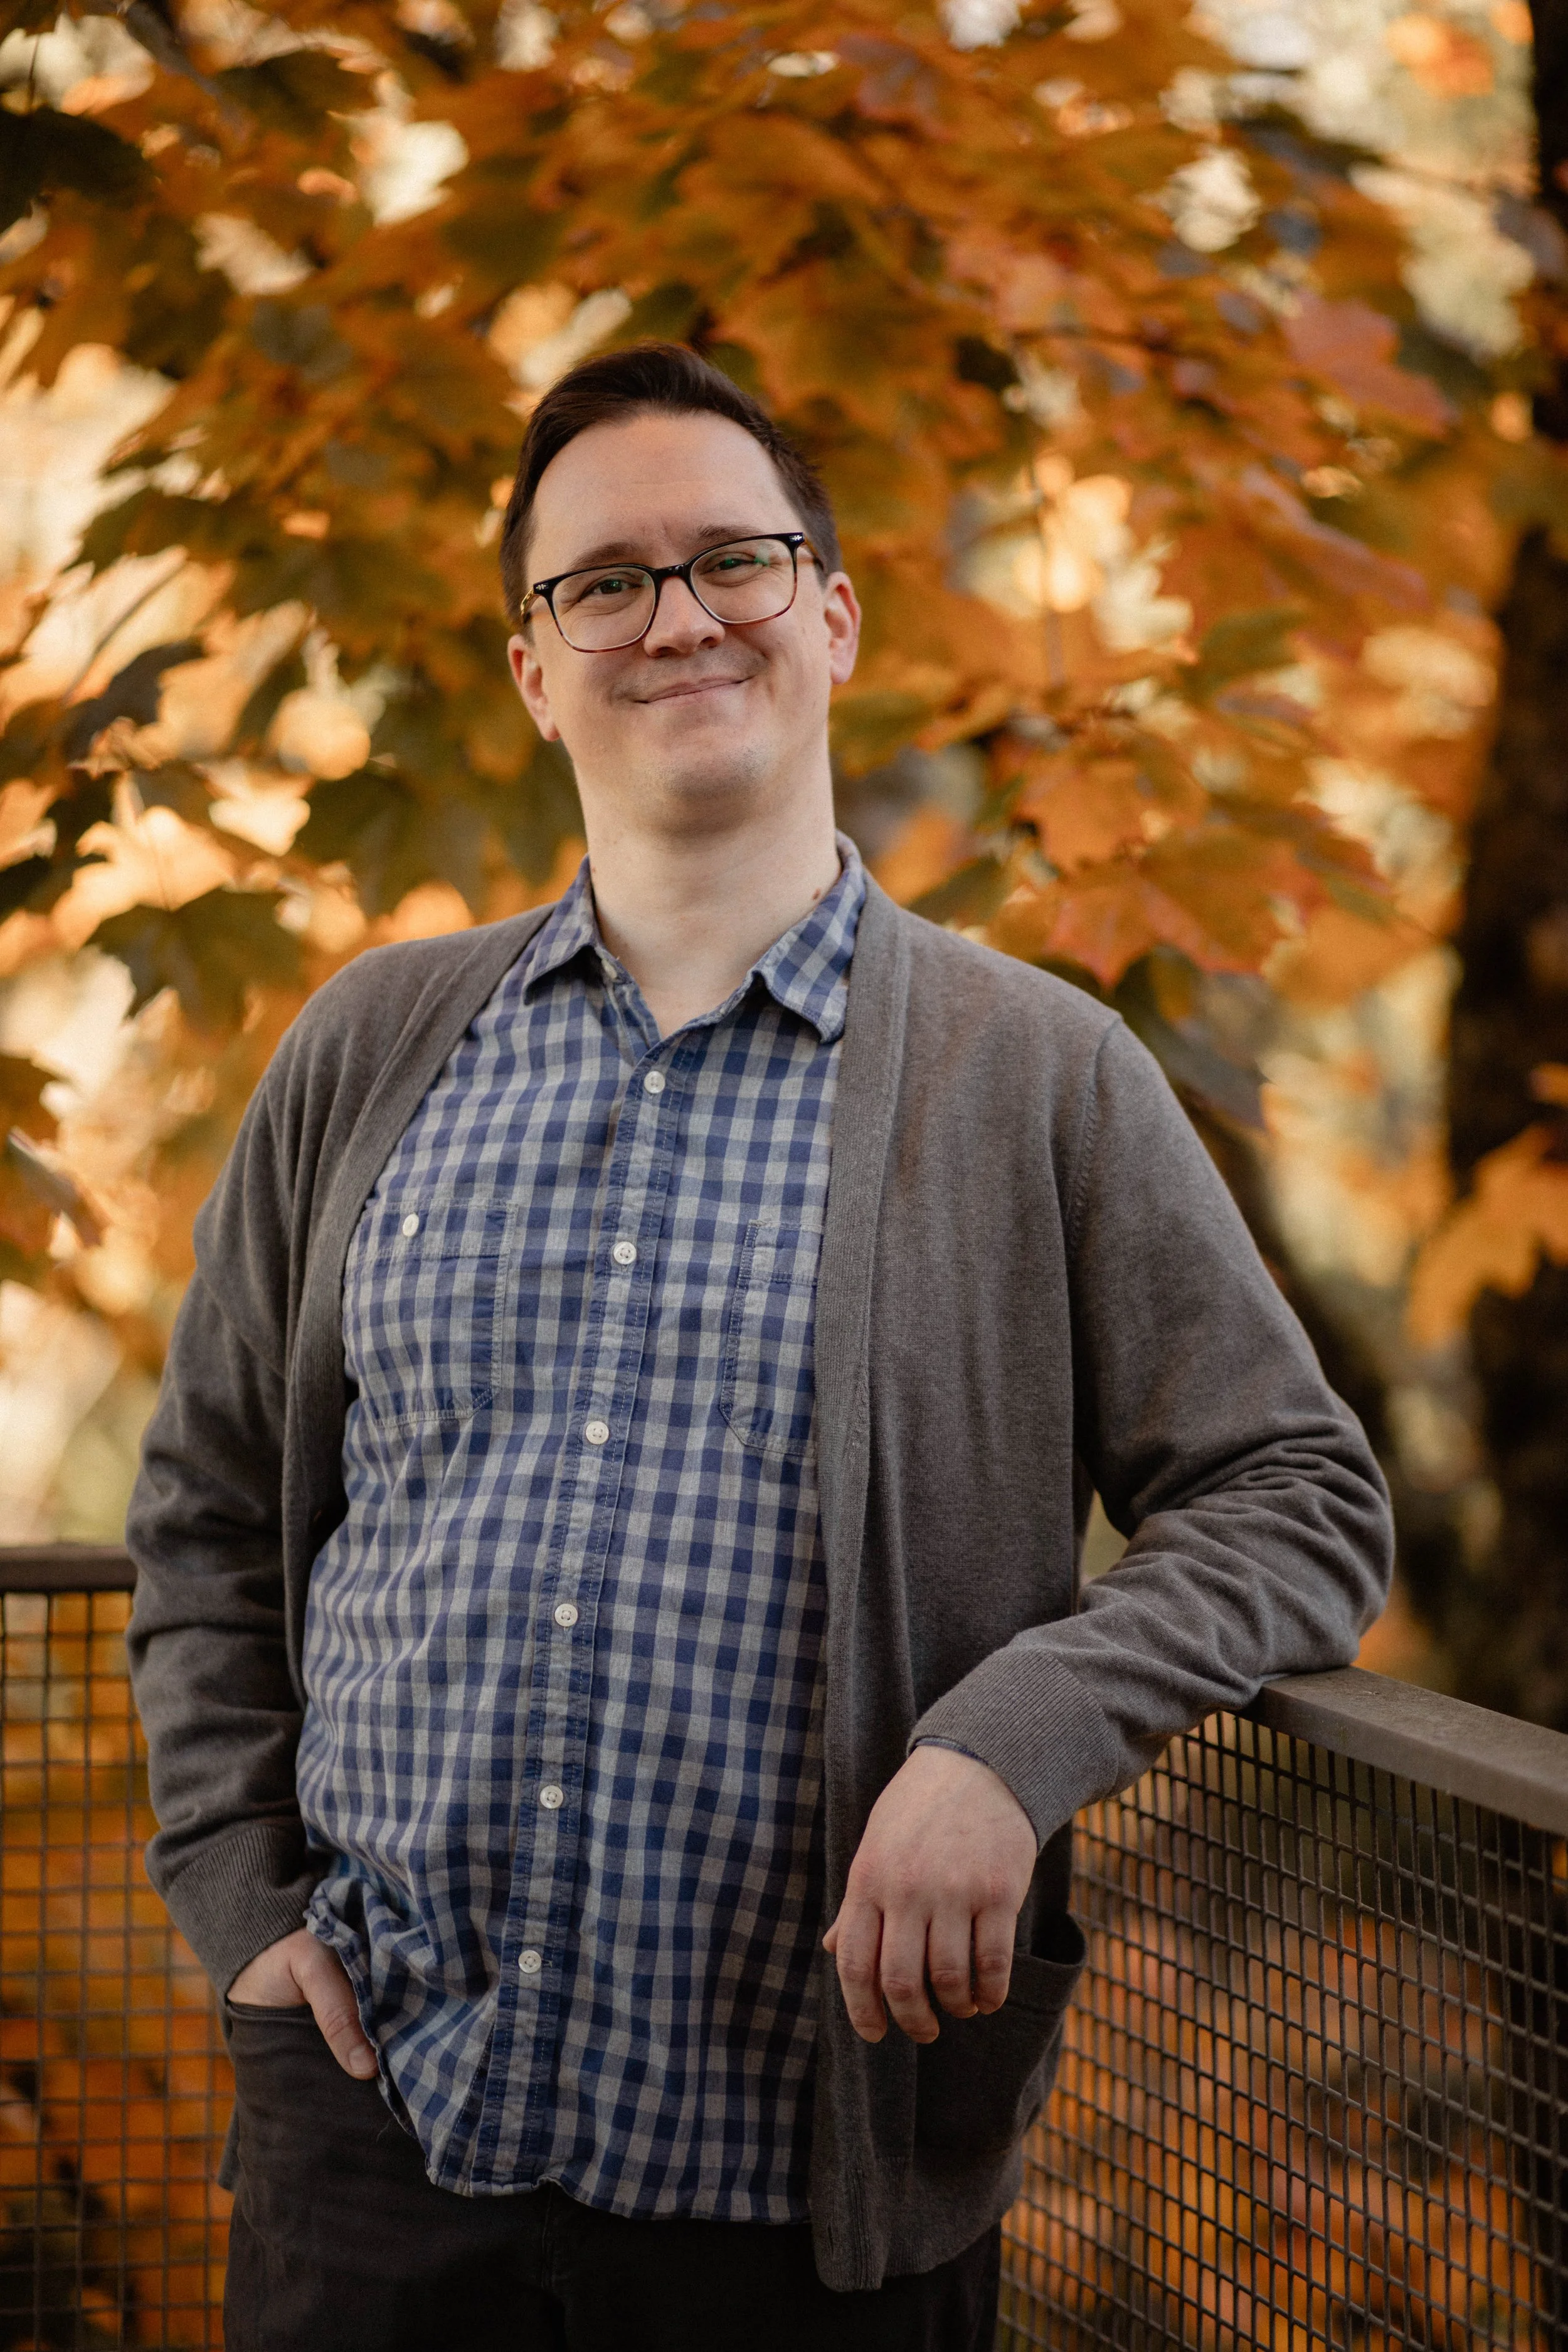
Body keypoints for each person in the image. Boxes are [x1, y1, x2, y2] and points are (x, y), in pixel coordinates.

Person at [126, 342, 1392, 2352]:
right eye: (602, 580)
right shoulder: (371, 1043)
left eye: (732, 556)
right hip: (370, 2153)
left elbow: (1298, 1494)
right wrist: (244, 1913)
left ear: (831, 608)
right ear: (536, 667)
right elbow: (201, 1518)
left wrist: (1007, 1739)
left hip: (803, 2198)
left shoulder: (1034, 1074)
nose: (678, 614)